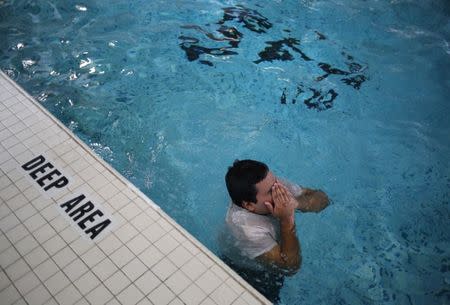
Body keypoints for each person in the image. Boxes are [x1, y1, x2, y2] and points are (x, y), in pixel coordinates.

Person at [223, 159, 329, 302]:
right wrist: (287, 219)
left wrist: (295, 203)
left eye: (276, 182)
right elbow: (290, 268)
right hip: (247, 269)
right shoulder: (247, 229)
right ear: (249, 205)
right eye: (271, 190)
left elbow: (322, 199)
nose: (280, 189)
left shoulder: (274, 186)